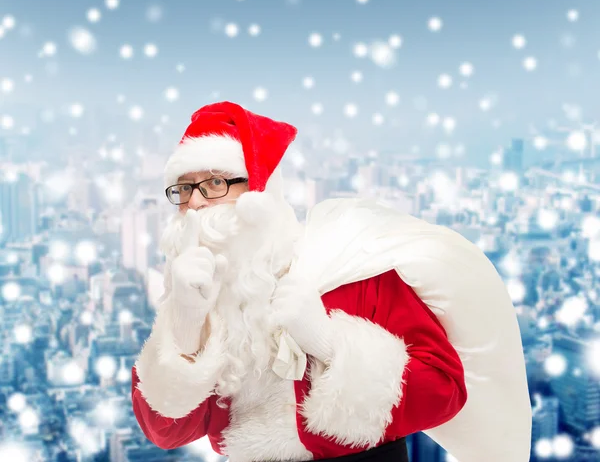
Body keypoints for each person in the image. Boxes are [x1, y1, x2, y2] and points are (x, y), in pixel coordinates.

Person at [131, 101, 532, 462]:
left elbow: (443, 392)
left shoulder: (350, 267)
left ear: (260, 191)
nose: (196, 202)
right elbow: (167, 431)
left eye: (215, 183)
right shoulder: (198, 295)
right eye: (184, 189)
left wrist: (329, 342)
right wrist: (182, 328)